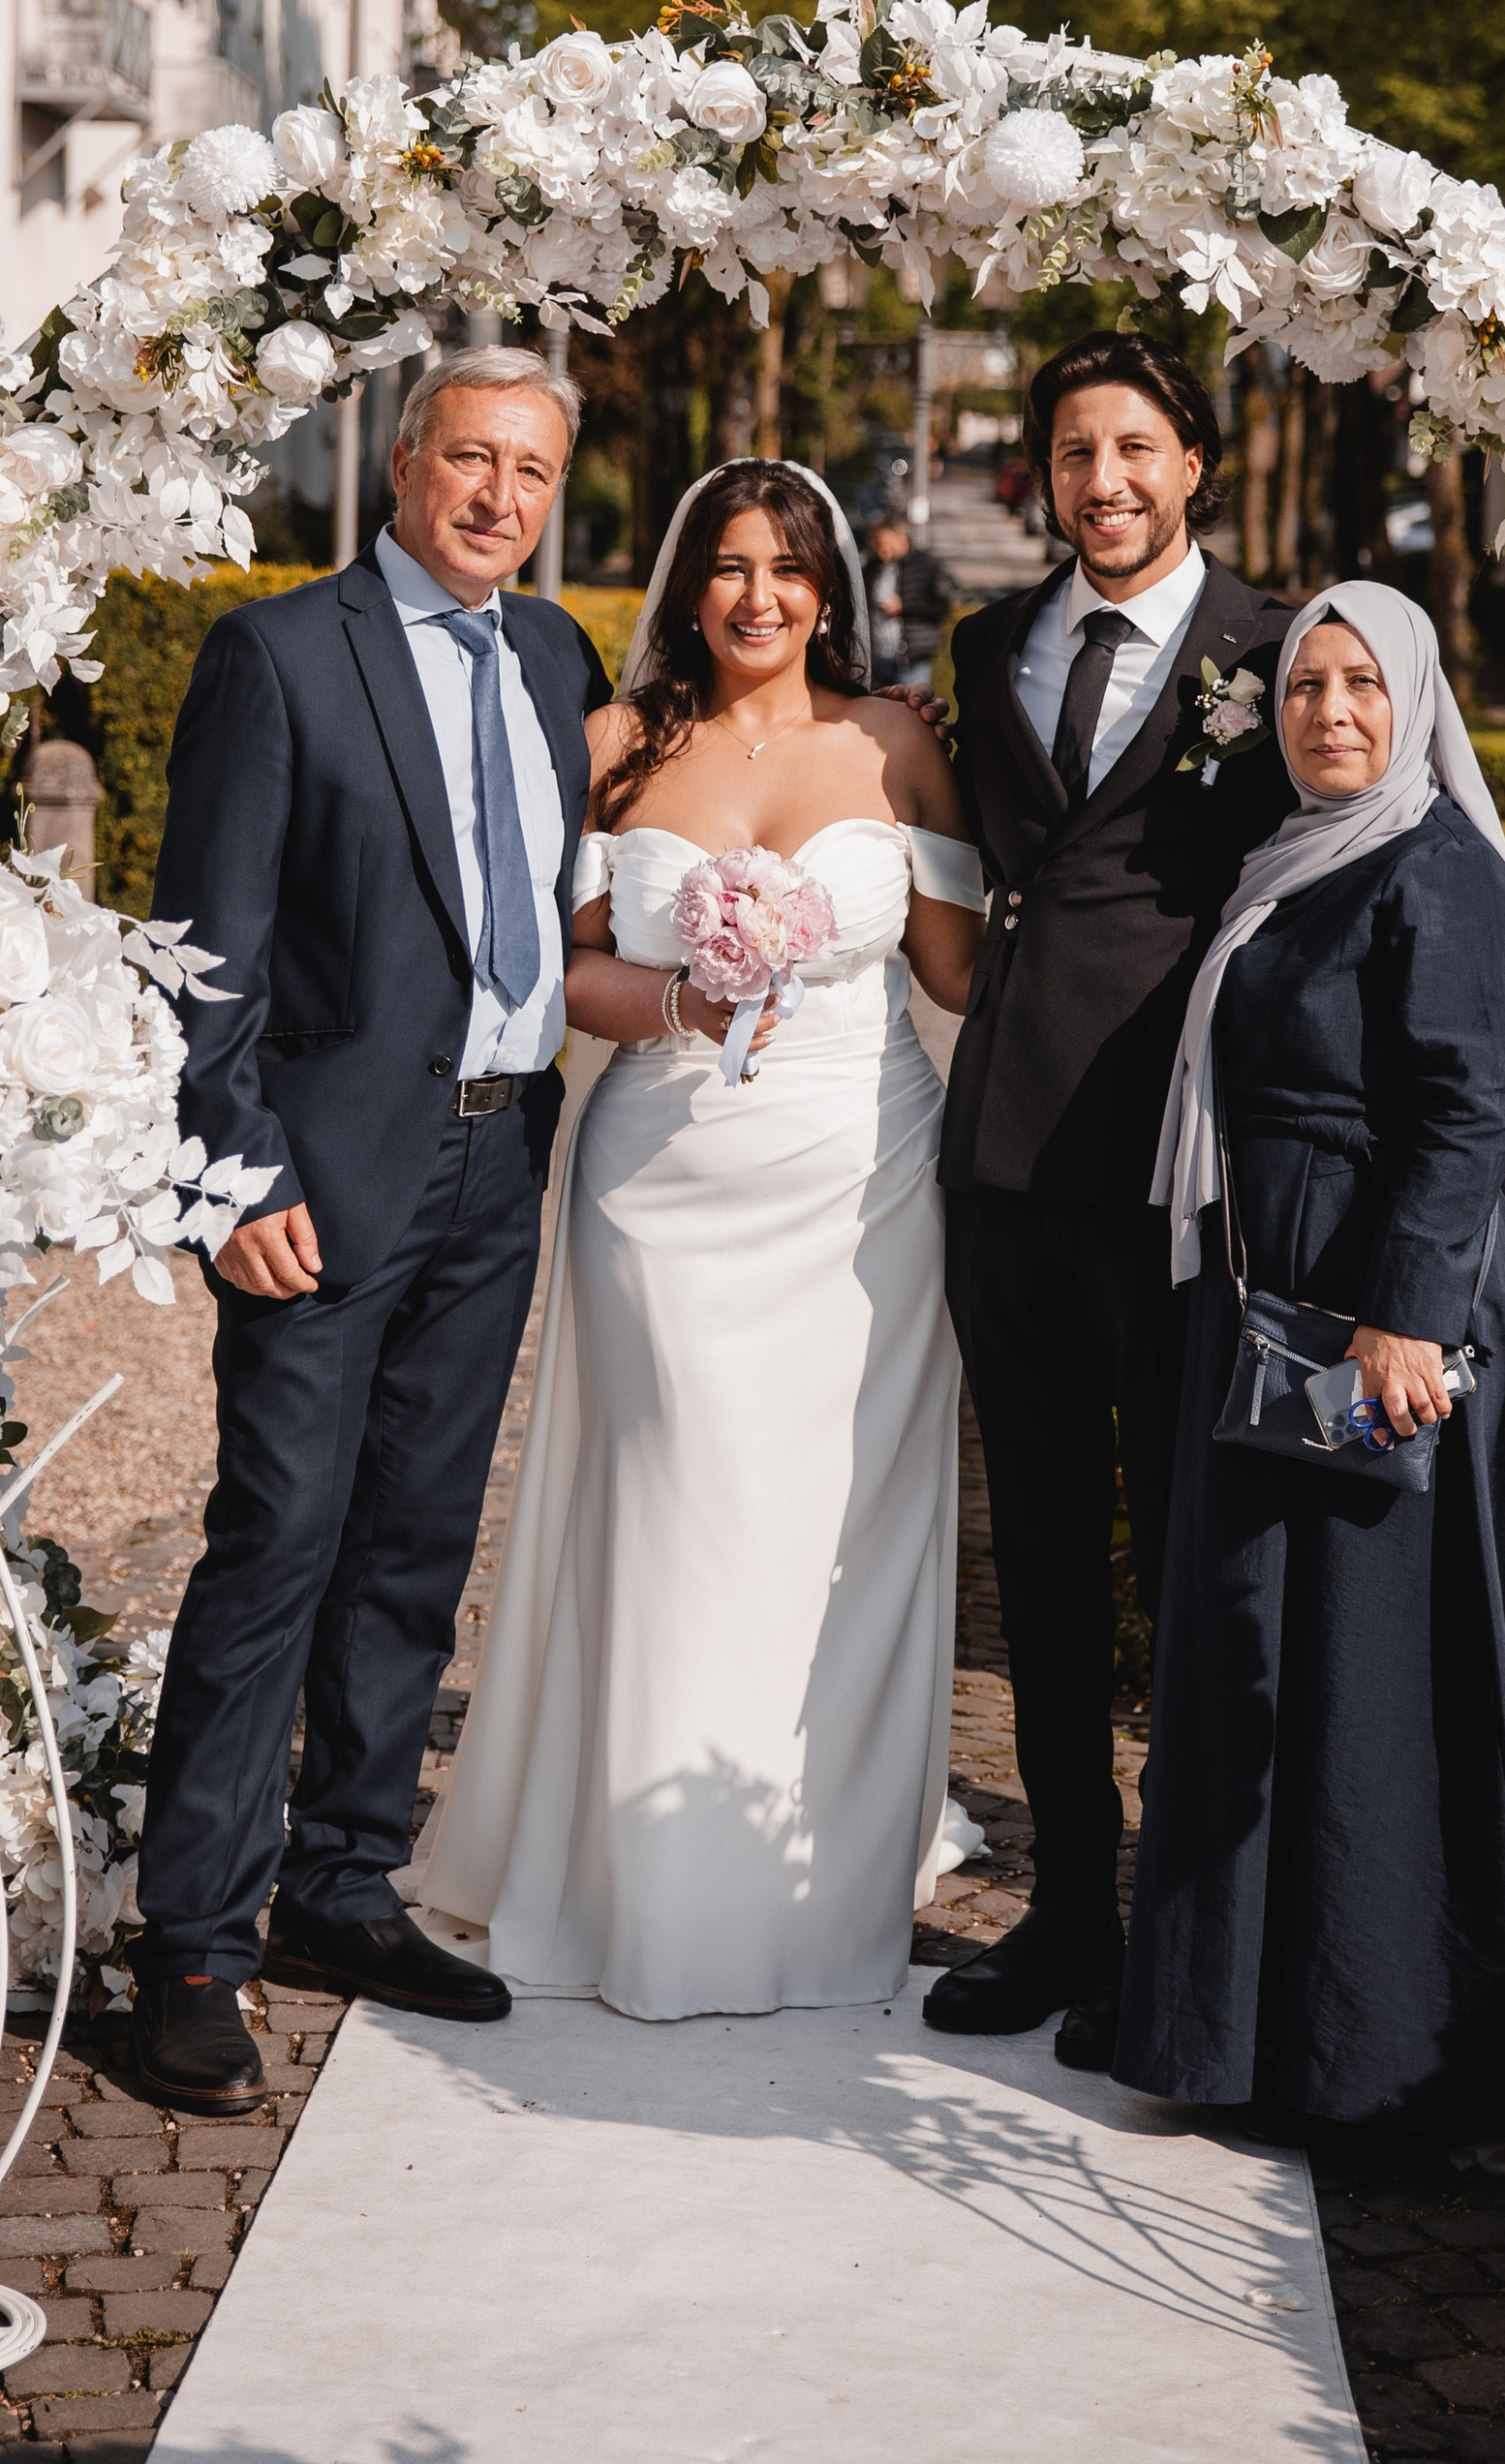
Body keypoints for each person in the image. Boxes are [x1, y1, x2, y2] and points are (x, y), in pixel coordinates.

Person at [418, 459, 985, 2019]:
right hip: (656, 1184)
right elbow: (563, 976)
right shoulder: (613, 747)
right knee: (674, 1509)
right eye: (728, 567)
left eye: (786, 570)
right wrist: (685, 997)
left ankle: (818, 1875)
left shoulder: (899, 745)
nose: (756, 598)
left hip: (864, 1187)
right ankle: (646, 1885)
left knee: (831, 1531)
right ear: (688, 582)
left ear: (828, 588)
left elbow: (956, 977)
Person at [129, 349, 608, 2114]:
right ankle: (190, 1941)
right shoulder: (277, 656)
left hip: (498, 1166)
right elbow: (203, 956)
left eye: (533, 471)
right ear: (404, 464)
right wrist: (236, 1178)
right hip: (325, 1188)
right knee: (277, 1540)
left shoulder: (556, 658)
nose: (499, 497)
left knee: (416, 1545)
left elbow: (552, 921)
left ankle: (342, 1883)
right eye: (472, 458)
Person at [1115, 584, 1505, 2165]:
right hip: (1268, 1295)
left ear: (1416, 706)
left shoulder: (1445, 870)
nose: (1331, 712)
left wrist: (1400, 1318)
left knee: (1380, 1677)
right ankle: (1241, 2030)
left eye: (1363, 687)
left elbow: (1467, 1109)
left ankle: (1381, 2053)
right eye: (1306, 686)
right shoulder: (1285, 855)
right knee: (1267, 1653)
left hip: (1382, 1314)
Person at [925, 336, 1300, 2070]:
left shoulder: (1284, 648)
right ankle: (1070, 1910)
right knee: (1050, 1572)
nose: (1106, 483)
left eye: (1136, 448)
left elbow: (1401, 823)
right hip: (1005, 1167)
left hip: (1182, 1175)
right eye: (1077, 452)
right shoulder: (988, 646)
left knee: (1195, 1567)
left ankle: (1191, 1938)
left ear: (1195, 464)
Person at [863, 508, 952, 682]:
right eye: (876, 543)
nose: (881, 548)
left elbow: (942, 606)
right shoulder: (873, 568)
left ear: (900, 536)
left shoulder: (925, 565)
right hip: (878, 659)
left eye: (883, 541)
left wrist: (904, 606)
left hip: (912, 660)